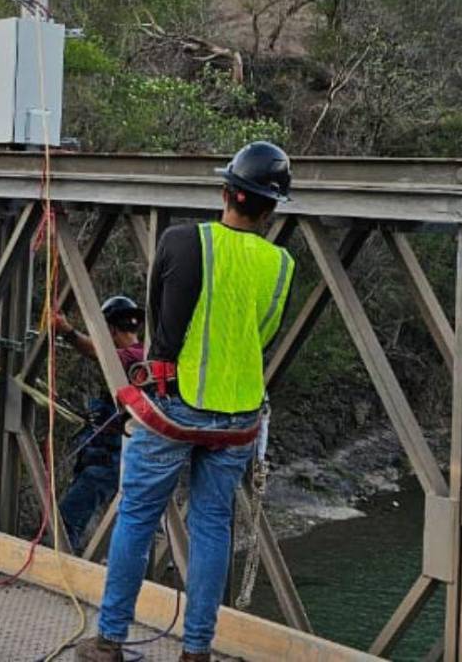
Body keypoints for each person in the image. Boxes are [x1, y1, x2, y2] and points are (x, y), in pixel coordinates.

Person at [76, 142, 296, 662]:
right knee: (212, 525)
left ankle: (110, 640)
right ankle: (196, 651)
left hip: (172, 409)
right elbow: (261, 334)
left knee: (137, 517)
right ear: (270, 208)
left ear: (227, 193)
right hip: (239, 417)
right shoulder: (282, 265)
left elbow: (161, 323)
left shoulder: (181, 240)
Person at [57, 295, 146, 553]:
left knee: (66, 521)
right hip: (107, 456)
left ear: (111, 330)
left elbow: (98, 353)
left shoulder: (133, 358)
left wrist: (67, 331)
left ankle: (59, 563)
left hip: (113, 460)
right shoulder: (141, 355)